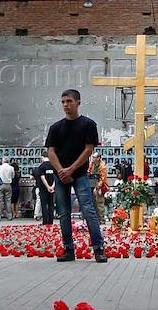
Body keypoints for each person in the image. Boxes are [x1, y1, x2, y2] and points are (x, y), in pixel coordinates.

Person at [46, 89, 106, 263]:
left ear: (78, 103)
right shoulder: (55, 128)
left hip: (79, 175)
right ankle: (68, 249)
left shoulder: (88, 125)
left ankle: (98, 248)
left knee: (88, 210)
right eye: (63, 102)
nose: (66, 105)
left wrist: (70, 170)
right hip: (60, 176)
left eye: (69, 101)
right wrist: (61, 171)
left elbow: (88, 150)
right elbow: (51, 152)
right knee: (63, 213)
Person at [33, 153, 56, 224]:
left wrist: (47, 187)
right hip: (52, 188)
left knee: (44, 205)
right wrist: (52, 187)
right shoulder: (53, 165)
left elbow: (42, 178)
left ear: (42, 157)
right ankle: (51, 221)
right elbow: (55, 177)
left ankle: (45, 221)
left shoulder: (41, 166)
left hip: (43, 188)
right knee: (51, 204)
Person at [89, 151, 109, 223]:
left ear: (98, 158)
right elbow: (89, 172)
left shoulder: (102, 166)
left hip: (100, 186)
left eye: (94, 157)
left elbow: (102, 178)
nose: (93, 159)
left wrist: (97, 187)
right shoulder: (92, 164)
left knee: (100, 203)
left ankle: (102, 219)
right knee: (93, 203)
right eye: (93, 157)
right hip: (92, 184)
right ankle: (95, 219)